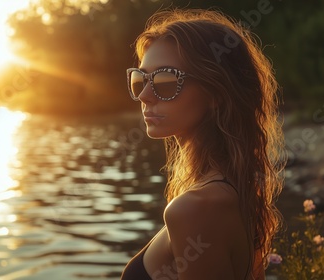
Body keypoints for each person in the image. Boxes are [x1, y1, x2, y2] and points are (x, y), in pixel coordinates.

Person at [121, 8, 286, 280]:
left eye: (165, 80)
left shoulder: (196, 207)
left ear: (216, 93)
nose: (145, 95)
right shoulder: (234, 190)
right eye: (140, 80)